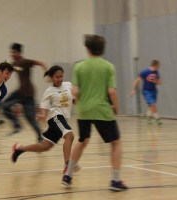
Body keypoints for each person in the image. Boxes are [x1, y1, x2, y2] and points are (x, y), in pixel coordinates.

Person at [61, 35, 128, 192]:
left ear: (88, 48)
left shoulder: (79, 67)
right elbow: (111, 91)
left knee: (83, 140)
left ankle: (68, 175)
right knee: (116, 142)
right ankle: (116, 180)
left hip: (83, 111)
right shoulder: (108, 67)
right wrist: (116, 107)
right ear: (102, 49)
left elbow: (75, 91)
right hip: (102, 109)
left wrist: (76, 97)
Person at [11, 65, 80, 172]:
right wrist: (42, 115)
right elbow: (44, 107)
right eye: (57, 77)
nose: (60, 79)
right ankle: (68, 165)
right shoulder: (49, 91)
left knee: (45, 146)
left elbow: (75, 101)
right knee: (69, 136)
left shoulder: (68, 85)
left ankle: (20, 149)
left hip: (62, 121)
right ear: (52, 78)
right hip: (55, 117)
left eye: (61, 76)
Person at [0, 43, 48, 143]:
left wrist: (46, 71)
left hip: (28, 94)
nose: (12, 54)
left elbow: (39, 63)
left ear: (19, 52)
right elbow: (7, 69)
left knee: (30, 118)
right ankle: (17, 125)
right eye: (11, 52)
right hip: (20, 92)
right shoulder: (14, 63)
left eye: (14, 52)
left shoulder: (25, 61)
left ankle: (40, 136)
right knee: (4, 106)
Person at [131, 60, 162, 125]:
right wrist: (133, 89)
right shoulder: (145, 72)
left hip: (154, 90)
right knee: (152, 104)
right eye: (158, 65)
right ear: (156, 65)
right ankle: (157, 118)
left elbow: (159, 81)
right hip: (146, 91)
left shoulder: (156, 72)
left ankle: (148, 115)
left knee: (152, 105)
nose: (159, 66)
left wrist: (158, 82)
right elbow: (137, 80)